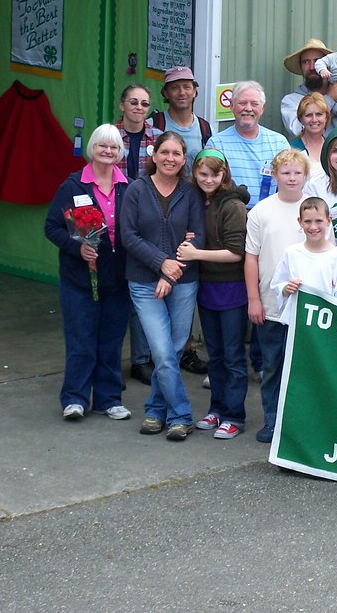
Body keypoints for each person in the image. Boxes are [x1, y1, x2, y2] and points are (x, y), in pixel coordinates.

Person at [121, 131, 206, 441]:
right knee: (162, 351)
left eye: (177, 154)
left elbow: (196, 237)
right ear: (154, 155)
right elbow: (129, 236)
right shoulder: (136, 189)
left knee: (172, 350)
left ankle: (156, 410)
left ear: (184, 160)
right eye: (165, 152)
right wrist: (161, 264)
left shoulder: (191, 192)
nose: (170, 158)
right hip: (144, 284)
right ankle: (181, 415)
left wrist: (170, 275)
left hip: (183, 282)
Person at [44, 123, 132, 422]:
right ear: (92, 149)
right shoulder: (72, 186)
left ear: (120, 152)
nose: (108, 151)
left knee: (111, 342)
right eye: (102, 146)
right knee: (81, 340)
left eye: (114, 147)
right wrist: (77, 247)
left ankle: (109, 399)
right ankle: (74, 398)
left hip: (118, 279)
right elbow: (52, 227)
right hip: (80, 280)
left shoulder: (129, 187)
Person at [175, 149, 249, 441]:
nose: (208, 179)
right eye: (203, 174)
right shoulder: (196, 201)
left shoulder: (233, 206)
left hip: (231, 288)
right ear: (194, 173)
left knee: (233, 355)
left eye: (215, 174)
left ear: (224, 174)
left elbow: (236, 252)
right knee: (214, 354)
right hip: (206, 287)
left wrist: (196, 253)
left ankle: (235, 415)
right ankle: (217, 408)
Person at [244, 149, 310, 443]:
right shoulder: (261, 211)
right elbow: (251, 257)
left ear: (305, 176)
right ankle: (272, 420)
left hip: (306, 307)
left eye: (297, 173)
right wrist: (254, 299)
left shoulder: (313, 208)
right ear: (275, 175)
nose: (291, 178)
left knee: (302, 369)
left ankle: (298, 423)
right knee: (272, 366)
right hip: (272, 306)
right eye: (285, 173)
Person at [114, 83, 157, 385]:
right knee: (117, 295)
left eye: (144, 103)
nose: (139, 108)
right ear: (122, 106)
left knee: (142, 294)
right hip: (114, 218)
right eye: (133, 102)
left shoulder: (158, 137)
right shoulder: (110, 136)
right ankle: (109, 361)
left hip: (147, 221)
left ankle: (141, 360)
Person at [209, 80, 290, 210]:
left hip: (269, 214)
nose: (248, 108)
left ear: (262, 108)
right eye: (242, 103)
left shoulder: (279, 143)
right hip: (229, 215)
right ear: (231, 106)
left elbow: (290, 183)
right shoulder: (216, 144)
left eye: (254, 104)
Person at [271, 197, 337, 316]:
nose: (313, 227)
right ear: (300, 221)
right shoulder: (291, 253)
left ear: (329, 221)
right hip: (296, 320)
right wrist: (286, 288)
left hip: (326, 322)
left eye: (319, 221)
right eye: (308, 221)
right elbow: (277, 284)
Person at [279, 38, 337, 134]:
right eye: (306, 62)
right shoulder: (291, 101)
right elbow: (298, 130)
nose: (312, 67)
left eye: (318, 61)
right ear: (301, 67)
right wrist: (330, 99)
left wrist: (336, 107)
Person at [150, 66, 213, 167]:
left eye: (186, 87)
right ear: (166, 93)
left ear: (194, 91)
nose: (181, 93)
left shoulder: (206, 129)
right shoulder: (152, 125)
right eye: (175, 88)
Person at [289, 92, 331, 177]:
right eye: (308, 115)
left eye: (319, 114)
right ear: (301, 119)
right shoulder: (291, 149)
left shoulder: (332, 147)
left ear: (326, 117)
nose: (314, 120)